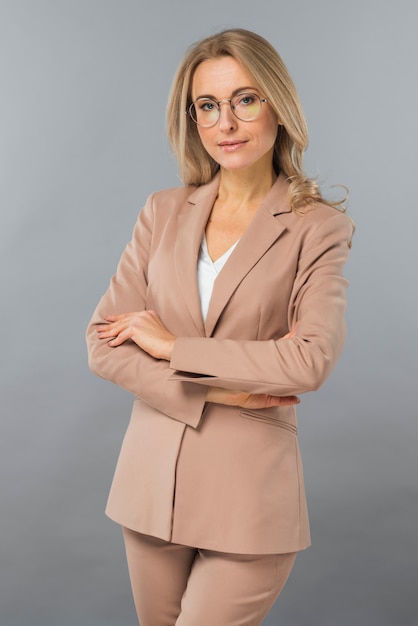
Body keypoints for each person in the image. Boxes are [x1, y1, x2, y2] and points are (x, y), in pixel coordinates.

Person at [86, 28, 353, 626]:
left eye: (245, 99)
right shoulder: (161, 212)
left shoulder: (320, 227)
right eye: (208, 106)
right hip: (150, 488)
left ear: (278, 106)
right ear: (194, 121)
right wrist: (221, 388)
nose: (226, 122)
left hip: (248, 498)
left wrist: (168, 346)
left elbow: (309, 360)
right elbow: (103, 345)